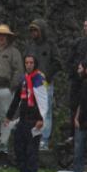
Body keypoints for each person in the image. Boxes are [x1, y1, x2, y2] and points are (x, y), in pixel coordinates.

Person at [5, 55, 50, 172]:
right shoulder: (23, 79)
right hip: (23, 119)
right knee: (19, 148)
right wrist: (9, 116)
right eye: (26, 62)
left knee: (32, 151)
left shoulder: (39, 80)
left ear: (35, 64)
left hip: (35, 120)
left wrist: (41, 118)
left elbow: (43, 101)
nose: (28, 65)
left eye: (31, 62)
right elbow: (17, 99)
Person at [22, 19, 62, 150]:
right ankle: (33, 137)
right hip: (31, 84)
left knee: (46, 112)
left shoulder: (50, 45)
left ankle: (44, 140)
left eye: (36, 30)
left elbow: (57, 63)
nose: (33, 33)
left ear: (42, 31)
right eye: (32, 30)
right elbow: (25, 62)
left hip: (45, 84)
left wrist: (48, 76)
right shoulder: (29, 45)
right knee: (30, 111)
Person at [0, 24, 24, 154]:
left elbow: (18, 71)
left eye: (4, 36)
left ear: (8, 37)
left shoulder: (14, 52)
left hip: (5, 88)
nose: (1, 38)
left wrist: (12, 87)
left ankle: (3, 145)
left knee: (6, 118)